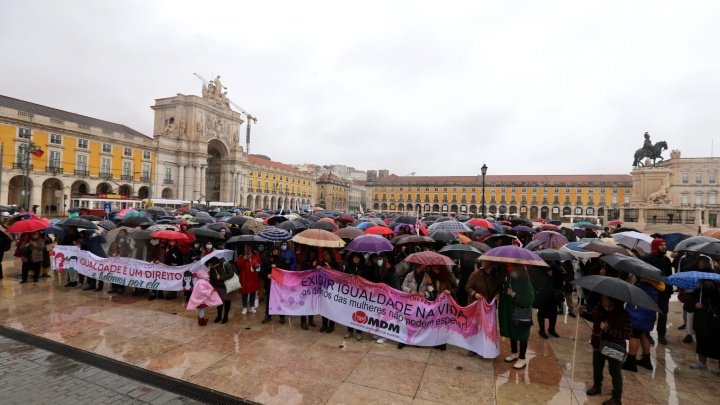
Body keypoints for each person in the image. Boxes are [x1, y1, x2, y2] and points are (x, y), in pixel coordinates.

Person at [581, 294, 632, 405]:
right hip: (598, 343)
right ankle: (597, 386)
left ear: (612, 301)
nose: (601, 299)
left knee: (614, 371)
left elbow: (627, 334)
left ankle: (616, 397)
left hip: (614, 347)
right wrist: (583, 313)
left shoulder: (623, 315)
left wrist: (608, 329)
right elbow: (593, 317)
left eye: (604, 298)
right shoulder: (599, 307)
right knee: (597, 366)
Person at [622, 276, 664, 372]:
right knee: (644, 335)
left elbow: (633, 297)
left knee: (634, 336)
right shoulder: (655, 285)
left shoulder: (642, 285)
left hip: (638, 314)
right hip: (648, 315)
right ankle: (646, 360)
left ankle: (631, 361)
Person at [498, 264, 534, 369]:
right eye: (511, 268)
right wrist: (501, 295)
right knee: (512, 332)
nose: (512, 270)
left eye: (514, 269)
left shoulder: (525, 281)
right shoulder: (510, 278)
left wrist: (514, 295)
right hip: (511, 311)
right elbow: (506, 291)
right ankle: (514, 353)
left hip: (522, 313)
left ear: (520, 269)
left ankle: (522, 358)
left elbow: (529, 299)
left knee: (522, 335)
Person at [465, 259, 500, 357]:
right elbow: (468, 287)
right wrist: (474, 294)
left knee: (485, 327)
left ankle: (484, 346)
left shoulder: (495, 276)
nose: (491, 270)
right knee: (475, 327)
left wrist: (497, 295)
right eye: (489, 268)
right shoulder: (476, 274)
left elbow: (496, 289)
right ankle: (473, 348)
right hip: (476, 305)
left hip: (488, 307)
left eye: (492, 268)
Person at [684, 276, 720, 370]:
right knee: (701, 343)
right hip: (701, 323)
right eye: (706, 285)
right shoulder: (697, 294)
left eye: (711, 285)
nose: (708, 287)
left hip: (716, 323)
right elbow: (687, 306)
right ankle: (702, 363)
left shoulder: (717, 294)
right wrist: (694, 305)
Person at [641, 238, 672, 345]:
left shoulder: (666, 260)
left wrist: (669, 290)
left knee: (663, 315)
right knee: (649, 313)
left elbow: (668, 276)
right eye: (661, 245)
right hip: (651, 290)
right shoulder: (647, 258)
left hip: (664, 292)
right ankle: (647, 333)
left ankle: (661, 335)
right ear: (655, 246)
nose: (664, 247)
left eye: (665, 245)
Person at [261, 245, 289, 324]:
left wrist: (277, 266)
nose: (275, 251)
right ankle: (268, 315)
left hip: (279, 284)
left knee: (280, 299)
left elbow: (287, 266)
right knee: (269, 299)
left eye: (277, 249)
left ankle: (282, 316)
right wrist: (267, 275)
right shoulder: (267, 259)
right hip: (269, 283)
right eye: (274, 249)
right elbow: (262, 270)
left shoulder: (283, 259)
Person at [317, 249, 342, 333]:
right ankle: (324, 324)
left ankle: (331, 325)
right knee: (324, 306)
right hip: (324, 288)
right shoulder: (322, 263)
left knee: (332, 306)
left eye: (327, 254)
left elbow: (340, 276)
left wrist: (330, 269)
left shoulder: (337, 263)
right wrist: (318, 268)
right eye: (324, 254)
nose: (325, 256)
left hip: (333, 289)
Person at [207, 257, 238, 324]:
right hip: (218, 287)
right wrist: (212, 285)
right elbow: (211, 277)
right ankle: (219, 316)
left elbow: (231, 274)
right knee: (219, 302)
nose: (211, 266)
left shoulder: (226, 265)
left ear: (215, 263)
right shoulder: (212, 268)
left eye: (211, 265)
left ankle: (225, 316)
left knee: (227, 301)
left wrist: (221, 277)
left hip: (226, 286)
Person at [237, 244, 261, 315]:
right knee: (245, 293)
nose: (248, 250)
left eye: (249, 248)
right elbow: (239, 266)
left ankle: (252, 306)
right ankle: (244, 307)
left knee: (253, 292)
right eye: (247, 248)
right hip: (245, 278)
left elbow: (259, 263)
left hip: (253, 277)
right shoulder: (241, 257)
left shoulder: (255, 256)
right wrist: (244, 260)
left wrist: (258, 265)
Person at [107, 230, 132, 294]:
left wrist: (122, 253)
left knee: (121, 275)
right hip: (114, 263)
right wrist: (113, 254)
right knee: (113, 275)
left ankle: (121, 288)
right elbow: (109, 252)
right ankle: (114, 288)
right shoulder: (113, 244)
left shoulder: (126, 245)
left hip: (122, 263)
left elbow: (128, 252)